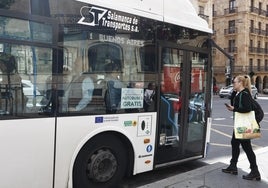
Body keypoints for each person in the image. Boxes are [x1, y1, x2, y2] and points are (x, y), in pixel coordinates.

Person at [222, 75, 261, 181]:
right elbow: (234, 104)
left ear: (240, 83)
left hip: (243, 125)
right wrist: (234, 93)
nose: (233, 84)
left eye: (234, 82)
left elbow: (247, 108)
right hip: (240, 124)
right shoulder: (240, 93)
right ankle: (233, 166)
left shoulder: (245, 94)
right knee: (234, 143)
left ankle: (255, 171)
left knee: (247, 147)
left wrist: (235, 109)